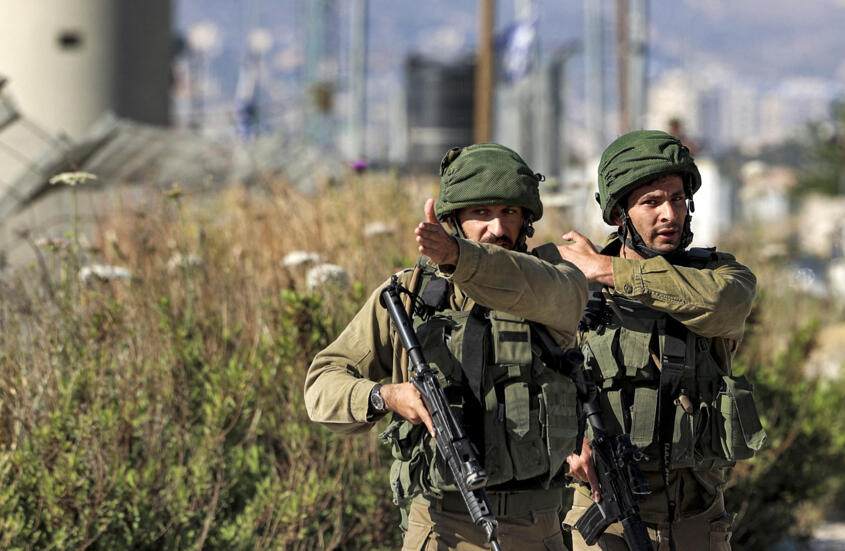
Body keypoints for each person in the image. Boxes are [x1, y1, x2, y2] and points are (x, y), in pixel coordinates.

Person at [304, 143, 590, 550]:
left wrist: (461, 257)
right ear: (454, 219)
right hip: (439, 527)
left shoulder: (555, 280)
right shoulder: (409, 295)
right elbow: (321, 385)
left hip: (533, 526)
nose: (496, 228)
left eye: (509, 212)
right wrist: (387, 396)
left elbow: (540, 290)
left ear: (526, 218)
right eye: (480, 213)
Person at [558, 130, 765, 550]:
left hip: (695, 517)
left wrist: (608, 270)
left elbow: (724, 305)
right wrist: (568, 441)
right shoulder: (573, 285)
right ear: (619, 214)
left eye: (676, 198)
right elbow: (529, 376)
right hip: (604, 513)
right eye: (651, 202)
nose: (669, 213)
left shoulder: (721, 277)